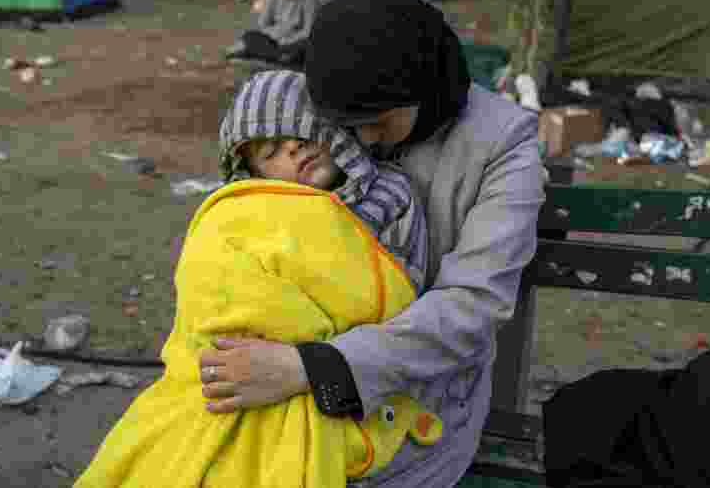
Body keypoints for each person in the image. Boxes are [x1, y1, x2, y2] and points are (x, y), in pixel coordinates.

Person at [197, 0, 547, 487]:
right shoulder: (328, 101)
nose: (358, 142)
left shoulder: (501, 147)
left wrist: (314, 369)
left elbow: (472, 306)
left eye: (376, 123)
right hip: (286, 354)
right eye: (345, 126)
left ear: (423, 89)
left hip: (417, 395)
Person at [75, 69, 442, 487]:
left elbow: (401, 288)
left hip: (336, 365)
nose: (293, 149)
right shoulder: (247, 216)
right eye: (270, 152)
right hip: (241, 359)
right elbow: (218, 287)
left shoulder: (390, 195)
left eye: (302, 133)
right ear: (254, 175)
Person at [225, 0, 319, 67]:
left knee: (307, 45)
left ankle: (265, 55)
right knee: (250, 36)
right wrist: (276, 37)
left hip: (295, 41)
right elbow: (263, 24)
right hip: (274, 41)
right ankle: (278, 57)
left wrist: (286, 40)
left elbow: (309, 31)